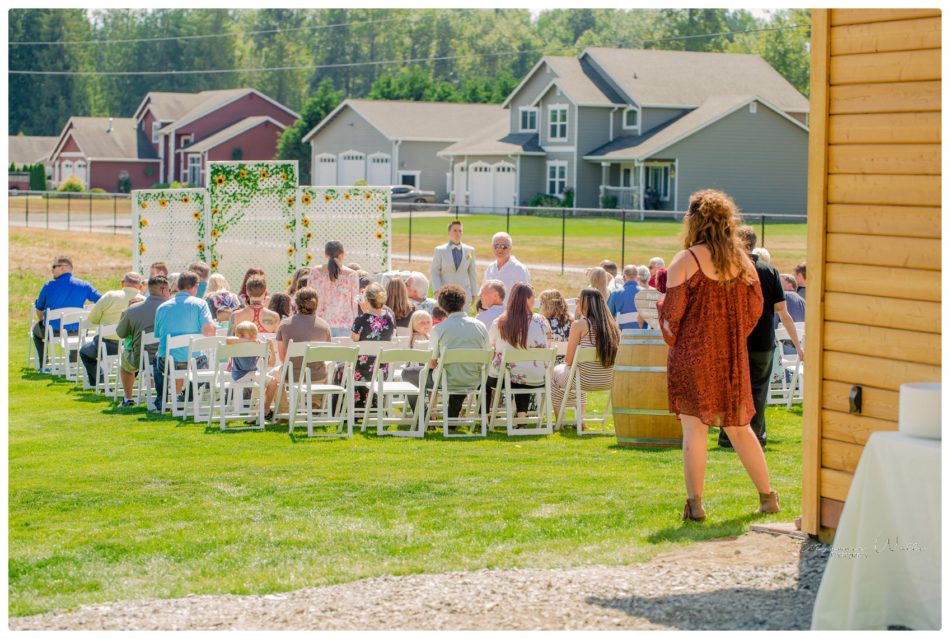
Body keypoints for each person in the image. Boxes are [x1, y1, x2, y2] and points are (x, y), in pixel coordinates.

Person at [657, 189, 779, 521]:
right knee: (741, 427)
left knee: (694, 431)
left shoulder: (686, 260)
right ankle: (768, 497)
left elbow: (672, 315)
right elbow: (755, 310)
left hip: (693, 356)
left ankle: (695, 505)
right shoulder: (744, 262)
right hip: (730, 356)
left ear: (694, 221)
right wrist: (730, 333)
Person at [718, 225, 804, 450]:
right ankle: (756, 437)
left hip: (733, 340)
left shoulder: (727, 269)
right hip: (762, 339)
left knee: (731, 388)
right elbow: (781, 309)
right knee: (758, 389)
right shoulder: (770, 271)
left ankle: (728, 438)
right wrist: (797, 344)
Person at [402, 284, 489, 417]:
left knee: (407, 373)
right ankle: (451, 418)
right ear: (463, 302)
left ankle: (423, 416)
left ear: (441, 307)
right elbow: (487, 355)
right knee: (459, 370)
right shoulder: (481, 326)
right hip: (474, 380)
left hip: (447, 380)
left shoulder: (440, 329)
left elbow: (432, 363)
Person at [550, 288, 619, 421]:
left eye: (578, 300)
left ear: (584, 304)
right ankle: (581, 421)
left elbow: (569, 360)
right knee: (577, 373)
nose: (576, 303)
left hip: (584, 380)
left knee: (557, 373)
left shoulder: (579, 325)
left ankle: (560, 422)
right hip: (608, 380)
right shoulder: (612, 327)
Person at [265, 286, 332, 421]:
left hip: (292, 375)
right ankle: (316, 402)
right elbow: (326, 356)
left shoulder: (285, 325)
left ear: (296, 303)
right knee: (326, 370)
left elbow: (283, 358)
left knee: (273, 376)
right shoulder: (325, 326)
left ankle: (284, 411)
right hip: (317, 376)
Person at [152, 271, 216, 411]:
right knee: (205, 366)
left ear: (178, 286)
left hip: (167, 363)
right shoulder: (200, 304)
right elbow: (209, 331)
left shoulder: (162, 307)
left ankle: (161, 399)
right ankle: (186, 395)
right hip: (193, 363)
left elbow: (158, 335)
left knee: (157, 359)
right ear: (196, 286)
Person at [486, 283, 552, 417]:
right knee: (524, 368)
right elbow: (548, 345)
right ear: (528, 299)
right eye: (533, 297)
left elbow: (490, 346)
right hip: (538, 376)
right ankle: (522, 417)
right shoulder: (542, 320)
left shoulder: (501, 322)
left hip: (508, 377)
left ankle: (484, 416)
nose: (534, 301)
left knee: (485, 380)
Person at [33, 255, 102, 367]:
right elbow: (102, 300)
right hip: (78, 331)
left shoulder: (48, 286)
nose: (52, 270)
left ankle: (43, 363)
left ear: (62, 268)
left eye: (54, 267)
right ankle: (73, 362)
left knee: (36, 331)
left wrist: (42, 322)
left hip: (54, 332)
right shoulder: (84, 285)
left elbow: (39, 308)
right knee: (77, 328)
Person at [79, 272, 145, 387]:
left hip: (108, 345)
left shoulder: (110, 296)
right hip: (134, 347)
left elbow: (93, 319)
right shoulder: (144, 300)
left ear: (122, 283)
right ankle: (129, 382)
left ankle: (99, 382)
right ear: (140, 286)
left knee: (85, 352)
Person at [116, 275, 170, 407]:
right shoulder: (173, 309)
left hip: (142, 359)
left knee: (125, 362)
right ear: (163, 290)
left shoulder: (133, 309)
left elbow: (121, 333)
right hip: (172, 358)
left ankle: (128, 398)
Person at [339, 282, 395, 409]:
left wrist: (365, 313)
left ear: (367, 300)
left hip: (362, 369)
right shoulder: (389, 318)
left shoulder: (361, 319)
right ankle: (375, 406)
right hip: (381, 369)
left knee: (340, 368)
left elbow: (355, 339)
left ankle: (351, 407)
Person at [310, 240, 360, 337]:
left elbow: (309, 297)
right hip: (345, 325)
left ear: (325, 254)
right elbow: (354, 302)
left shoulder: (315, 272)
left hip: (319, 323)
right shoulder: (352, 275)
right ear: (342, 254)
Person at [430, 220, 478, 303]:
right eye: (455, 230)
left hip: (464, 295)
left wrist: (474, 293)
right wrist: (437, 291)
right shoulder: (440, 250)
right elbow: (434, 272)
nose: (458, 233)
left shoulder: (470, 250)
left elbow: (472, 272)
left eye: (460, 230)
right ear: (449, 232)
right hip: (445, 295)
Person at [606, 264, 643, 331]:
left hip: (622, 336)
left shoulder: (615, 293)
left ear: (623, 277)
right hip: (643, 337)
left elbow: (608, 315)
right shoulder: (645, 293)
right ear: (637, 277)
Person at [634, 265, 663, 330]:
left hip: (637, 330)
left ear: (637, 278)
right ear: (649, 277)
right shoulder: (656, 293)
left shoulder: (635, 292)